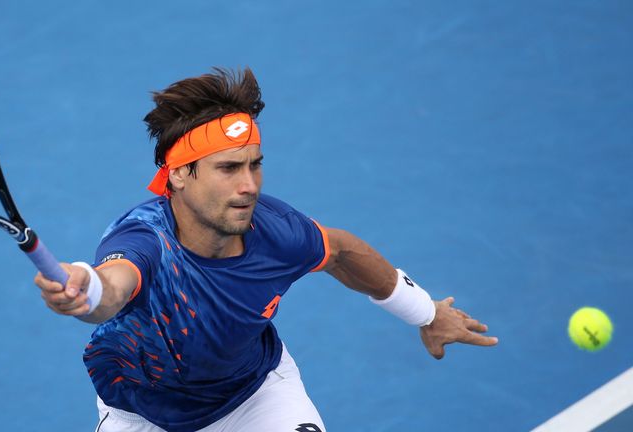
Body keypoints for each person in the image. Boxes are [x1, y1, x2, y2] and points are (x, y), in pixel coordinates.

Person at [34, 68, 498, 432]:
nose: (249, 185)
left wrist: (426, 313)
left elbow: (340, 251)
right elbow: (113, 285)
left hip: (255, 397)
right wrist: (85, 288)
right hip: (142, 416)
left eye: (255, 166)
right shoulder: (143, 239)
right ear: (179, 175)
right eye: (229, 168)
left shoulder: (277, 232)